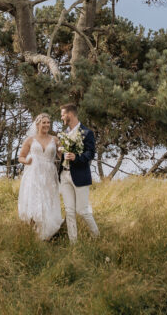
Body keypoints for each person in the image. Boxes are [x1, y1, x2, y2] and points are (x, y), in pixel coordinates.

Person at [16, 113, 63, 240]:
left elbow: (62, 156)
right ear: (38, 124)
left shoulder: (55, 140)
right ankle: (35, 232)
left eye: (48, 122)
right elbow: (21, 157)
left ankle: (48, 233)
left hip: (49, 174)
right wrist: (27, 161)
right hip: (34, 174)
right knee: (35, 201)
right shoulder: (30, 140)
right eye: (44, 122)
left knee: (48, 200)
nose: (47, 125)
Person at [57, 103, 99, 242]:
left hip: (80, 175)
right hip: (64, 175)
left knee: (82, 210)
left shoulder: (86, 133)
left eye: (63, 114)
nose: (61, 117)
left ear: (70, 114)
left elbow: (90, 154)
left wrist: (76, 157)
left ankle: (96, 237)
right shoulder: (64, 134)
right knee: (69, 211)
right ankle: (73, 243)